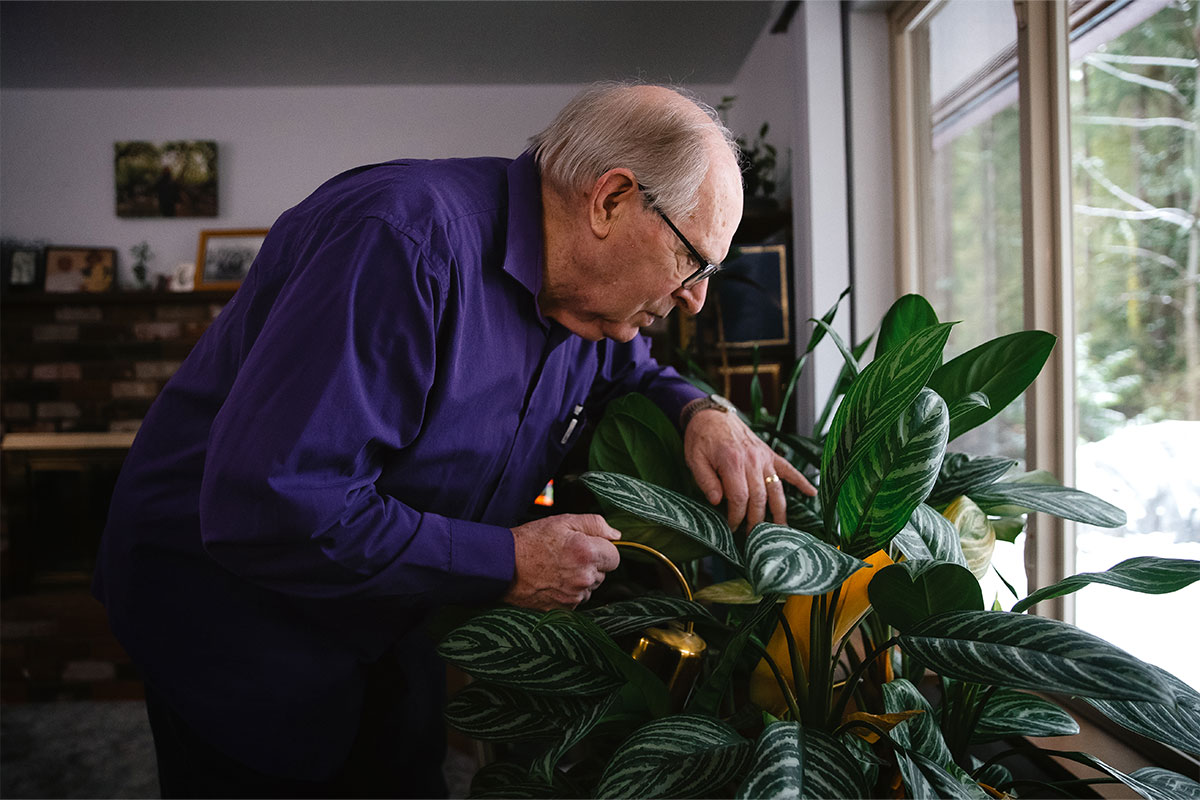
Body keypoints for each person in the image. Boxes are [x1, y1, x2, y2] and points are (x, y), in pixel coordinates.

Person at [93, 81, 814, 798]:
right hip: (236, 605)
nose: (697, 298)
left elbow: (631, 367)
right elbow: (275, 507)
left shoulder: (590, 303)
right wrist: (506, 560)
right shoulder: (401, 243)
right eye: (695, 260)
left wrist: (702, 411)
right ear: (611, 201)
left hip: (392, 594)